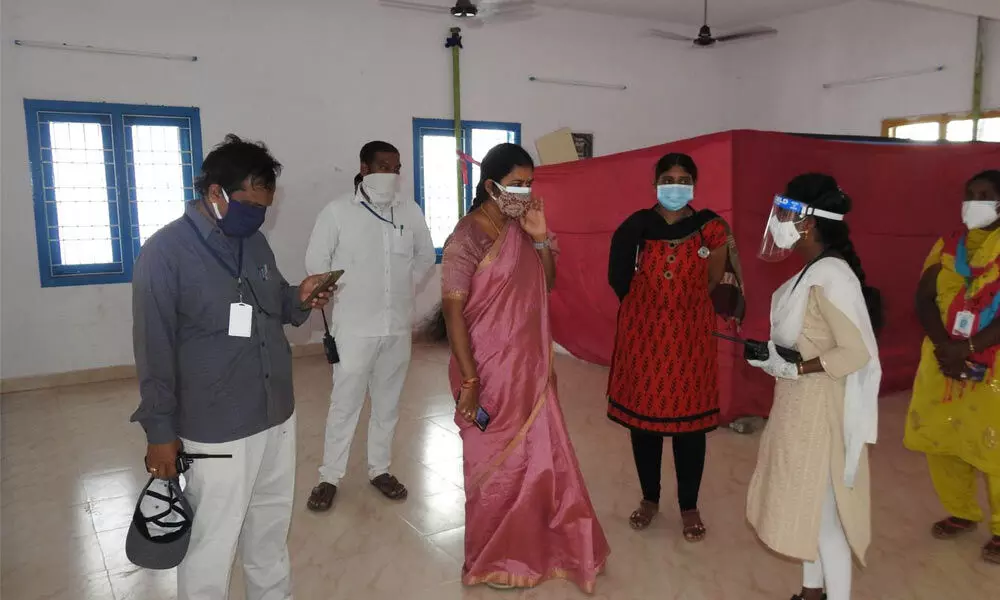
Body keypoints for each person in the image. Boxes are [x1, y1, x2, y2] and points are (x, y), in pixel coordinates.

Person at [131, 134, 335, 600]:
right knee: (212, 539)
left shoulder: (254, 243)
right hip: (216, 424)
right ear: (215, 192)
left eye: (265, 205)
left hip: (275, 413)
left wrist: (299, 297)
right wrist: (159, 431)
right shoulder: (165, 254)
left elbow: (275, 304)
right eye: (250, 204)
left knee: (269, 525)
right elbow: (153, 348)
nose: (258, 215)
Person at [438, 143, 610, 592]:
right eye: (516, 183)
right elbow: (453, 312)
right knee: (492, 465)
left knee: (538, 462)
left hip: (530, 370)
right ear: (489, 185)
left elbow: (547, 281)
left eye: (530, 182)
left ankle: (539, 547)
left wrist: (539, 235)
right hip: (488, 370)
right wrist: (471, 380)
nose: (525, 190)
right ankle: (496, 556)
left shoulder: (521, 227)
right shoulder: (467, 237)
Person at [745, 174, 882, 600]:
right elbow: (809, 339)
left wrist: (799, 370)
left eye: (786, 213)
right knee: (806, 504)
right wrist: (776, 360)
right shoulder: (813, 271)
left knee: (824, 519)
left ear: (808, 223)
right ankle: (811, 592)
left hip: (819, 409)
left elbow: (855, 352)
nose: (778, 222)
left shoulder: (831, 276)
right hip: (798, 406)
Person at [606, 152, 742, 540]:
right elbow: (619, 277)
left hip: (690, 339)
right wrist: (647, 309)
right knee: (643, 423)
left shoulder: (710, 228)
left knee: (689, 427)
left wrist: (681, 306)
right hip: (643, 336)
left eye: (683, 179)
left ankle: (689, 506)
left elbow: (715, 278)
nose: (675, 186)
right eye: (668, 179)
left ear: (694, 185)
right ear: (655, 184)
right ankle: (649, 499)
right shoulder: (638, 225)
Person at [304, 141, 435, 511]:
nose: (389, 174)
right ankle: (329, 476)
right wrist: (342, 292)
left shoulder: (409, 211)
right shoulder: (337, 212)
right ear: (363, 167)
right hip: (354, 328)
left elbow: (425, 255)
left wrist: (405, 289)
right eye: (382, 166)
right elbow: (316, 262)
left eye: (395, 168)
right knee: (344, 404)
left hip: (396, 328)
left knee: (388, 404)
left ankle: (380, 470)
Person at [904, 169, 1000, 564]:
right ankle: (962, 511)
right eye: (969, 194)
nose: (974, 202)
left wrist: (972, 346)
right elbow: (924, 296)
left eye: (984, 195)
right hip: (944, 360)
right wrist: (946, 345)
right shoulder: (948, 246)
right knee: (943, 441)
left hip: (993, 365)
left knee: (994, 446)